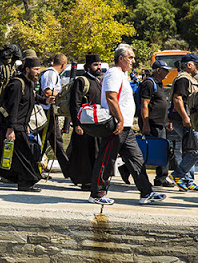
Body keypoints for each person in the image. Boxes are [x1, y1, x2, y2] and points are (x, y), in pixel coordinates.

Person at [89, 44, 166, 205]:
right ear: (121, 58)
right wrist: (120, 119)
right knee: (106, 159)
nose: (133, 60)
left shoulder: (123, 75)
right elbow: (111, 97)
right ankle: (97, 194)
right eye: (130, 57)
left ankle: (146, 192)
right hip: (117, 125)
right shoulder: (114, 73)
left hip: (126, 127)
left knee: (137, 159)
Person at [0, 57, 45, 192]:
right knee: (25, 155)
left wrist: (45, 100)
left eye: (39, 69)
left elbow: (30, 100)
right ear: (27, 69)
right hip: (12, 126)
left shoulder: (28, 84)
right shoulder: (17, 85)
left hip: (19, 126)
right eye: (36, 69)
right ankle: (25, 182)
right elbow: (12, 108)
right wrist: (10, 129)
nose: (38, 72)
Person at [131, 59, 174, 188]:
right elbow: (145, 104)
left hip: (160, 123)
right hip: (151, 122)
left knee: (160, 150)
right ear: (158, 70)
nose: (167, 72)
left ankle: (160, 177)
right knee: (156, 150)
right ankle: (161, 178)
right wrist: (145, 124)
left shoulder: (159, 83)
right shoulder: (149, 83)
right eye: (165, 70)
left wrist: (167, 121)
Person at [66, 54, 103, 190]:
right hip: (84, 125)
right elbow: (74, 104)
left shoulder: (99, 82)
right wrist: (76, 124)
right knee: (84, 154)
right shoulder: (81, 81)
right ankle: (85, 181)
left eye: (99, 65)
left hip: (96, 125)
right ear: (88, 67)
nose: (98, 67)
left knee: (95, 152)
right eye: (95, 65)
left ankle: (94, 180)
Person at [169, 53, 198, 191]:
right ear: (189, 65)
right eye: (196, 65)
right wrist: (185, 118)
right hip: (183, 120)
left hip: (186, 120)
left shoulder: (189, 79)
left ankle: (188, 180)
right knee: (195, 148)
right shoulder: (183, 79)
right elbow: (177, 99)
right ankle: (178, 174)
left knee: (189, 149)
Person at [39, 53, 70, 179]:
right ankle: (69, 171)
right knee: (53, 142)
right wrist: (61, 92)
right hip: (47, 112)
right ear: (63, 64)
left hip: (51, 112)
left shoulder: (51, 73)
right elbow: (47, 92)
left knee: (52, 142)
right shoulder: (51, 74)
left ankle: (38, 168)